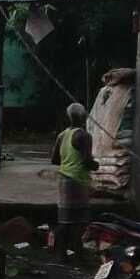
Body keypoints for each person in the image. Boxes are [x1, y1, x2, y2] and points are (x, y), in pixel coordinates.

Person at [51, 101, 97, 258]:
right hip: (77, 181)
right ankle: (75, 252)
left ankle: (62, 252)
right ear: (83, 116)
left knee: (65, 219)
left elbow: (54, 160)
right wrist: (96, 165)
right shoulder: (84, 136)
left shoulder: (62, 135)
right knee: (78, 220)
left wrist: (68, 162)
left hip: (63, 179)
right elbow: (86, 162)